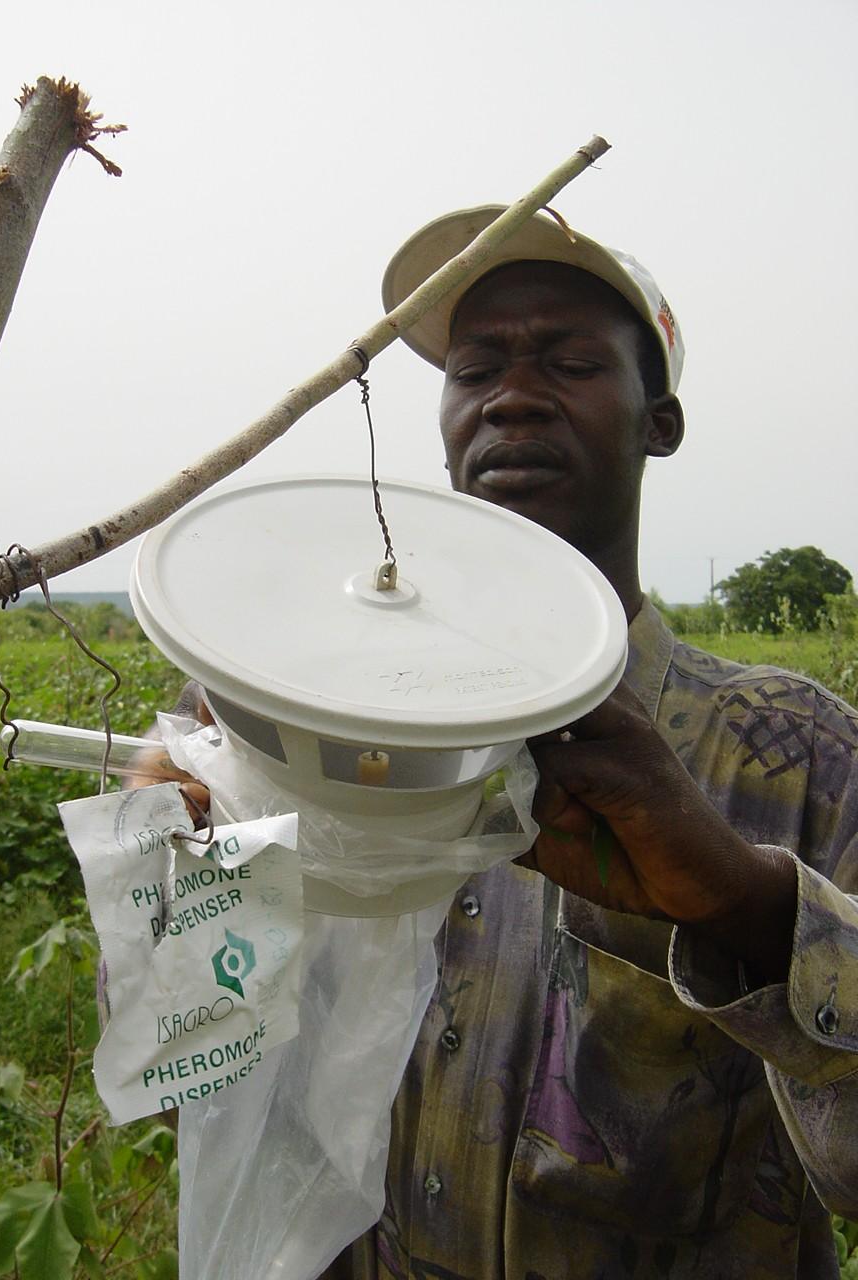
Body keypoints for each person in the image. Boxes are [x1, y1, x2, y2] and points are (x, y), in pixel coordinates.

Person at [310, 207, 858, 1278]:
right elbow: (206, 1055)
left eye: (568, 362)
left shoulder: (804, 755)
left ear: (660, 421)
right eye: (476, 371)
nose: (512, 396)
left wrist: (745, 908)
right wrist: (190, 853)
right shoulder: (343, 720)